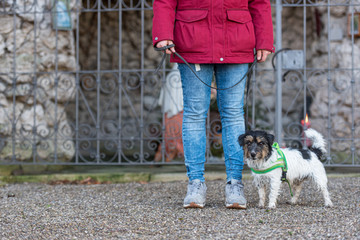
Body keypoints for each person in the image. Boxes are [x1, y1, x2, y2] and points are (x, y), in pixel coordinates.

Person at [152, 0, 274, 209]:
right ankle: (195, 184)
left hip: (236, 40)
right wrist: (162, 33)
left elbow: (259, 2)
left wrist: (264, 39)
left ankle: (235, 184)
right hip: (193, 40)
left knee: (233, 113)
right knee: (194, 114)